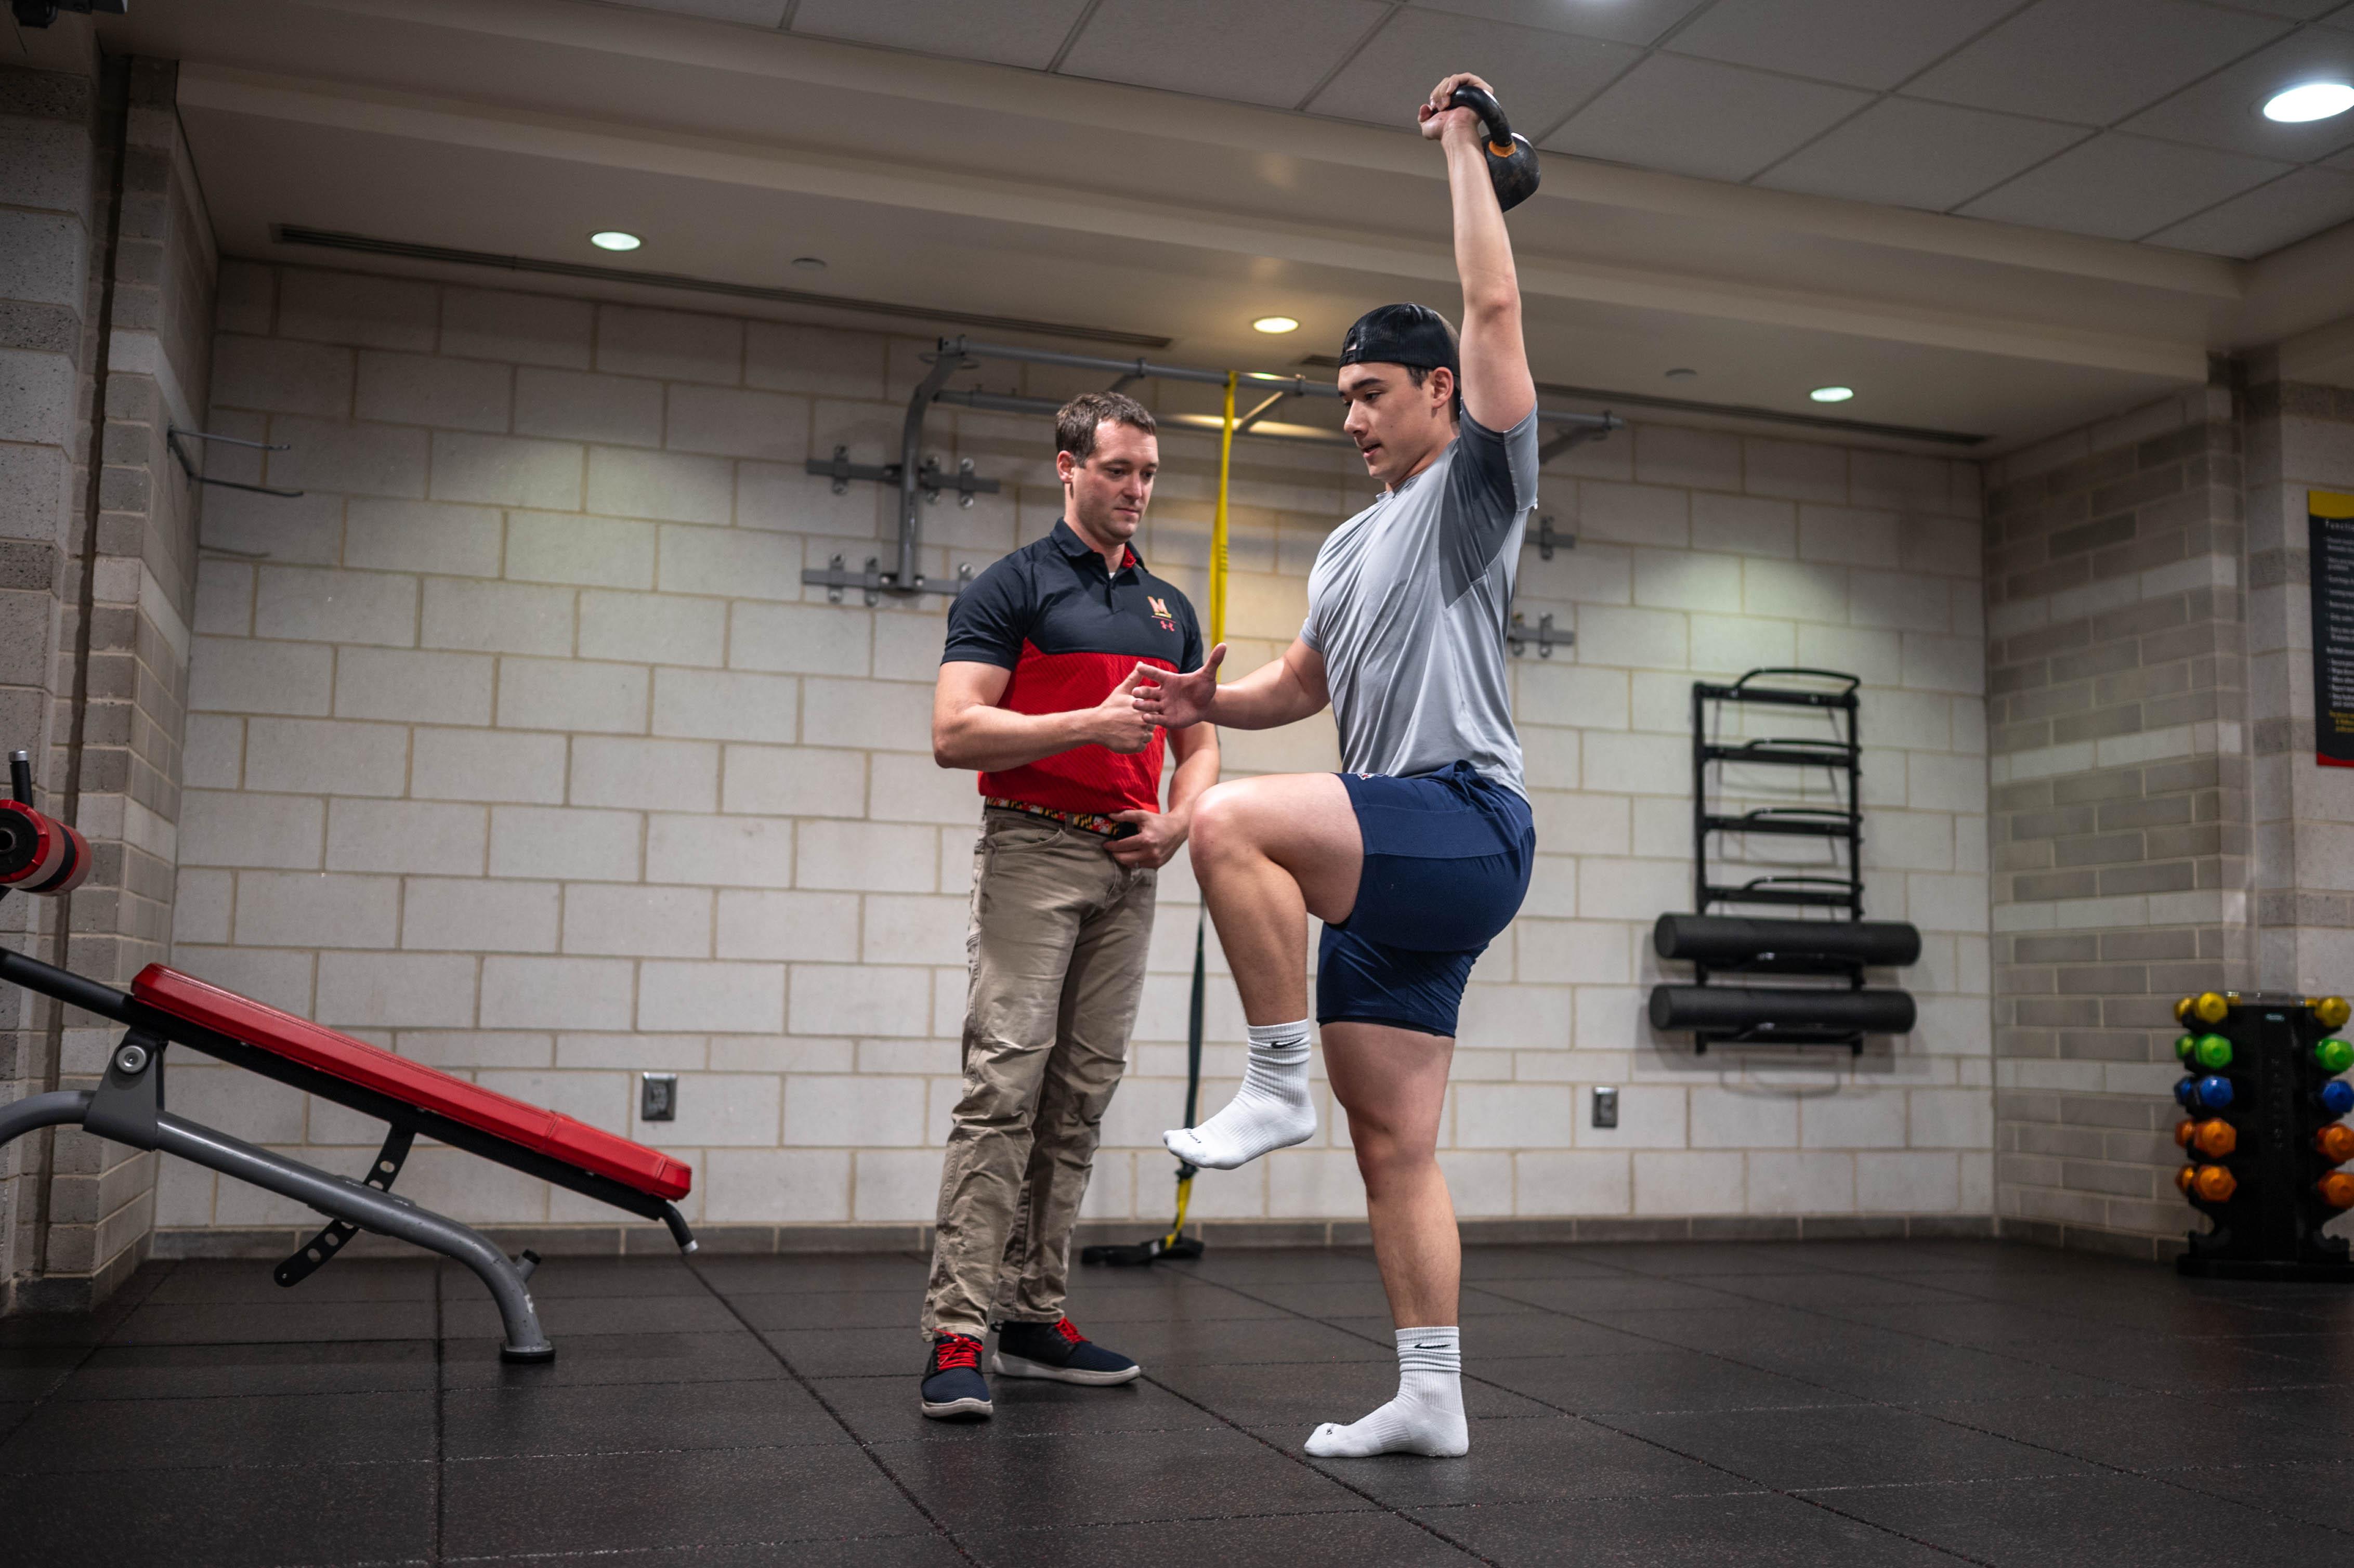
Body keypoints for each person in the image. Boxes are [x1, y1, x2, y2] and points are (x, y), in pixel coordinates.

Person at [1133, 72, 1539, 1459]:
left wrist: (1465, 150)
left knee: (1227, 826)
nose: (1351, 417)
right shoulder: (1348, 543)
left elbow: (1493, 308)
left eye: (1371, 395)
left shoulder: (1476, 487)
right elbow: (1301, 684)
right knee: (1393, 1146)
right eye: (1342, 399)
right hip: (1396, 859)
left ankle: (1272, 1076)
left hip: (1464, 816)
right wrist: (1207, 697)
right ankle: (1431, 1393)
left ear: (1439, 392)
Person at [918, 390, 1220, 1420]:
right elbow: (954, 731)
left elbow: (1200, 746)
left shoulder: (1169, 608)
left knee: (1079, 1097)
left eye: (1148, 473)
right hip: (1033, 851)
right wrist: (1088, 721)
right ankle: (958, 1330)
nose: (1136, 489)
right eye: (1117, 469)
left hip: (1130, 866)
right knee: (1002, 1087)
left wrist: (1179, 823)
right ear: (1068, 466)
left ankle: (1032, 1314)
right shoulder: (1013, 585)